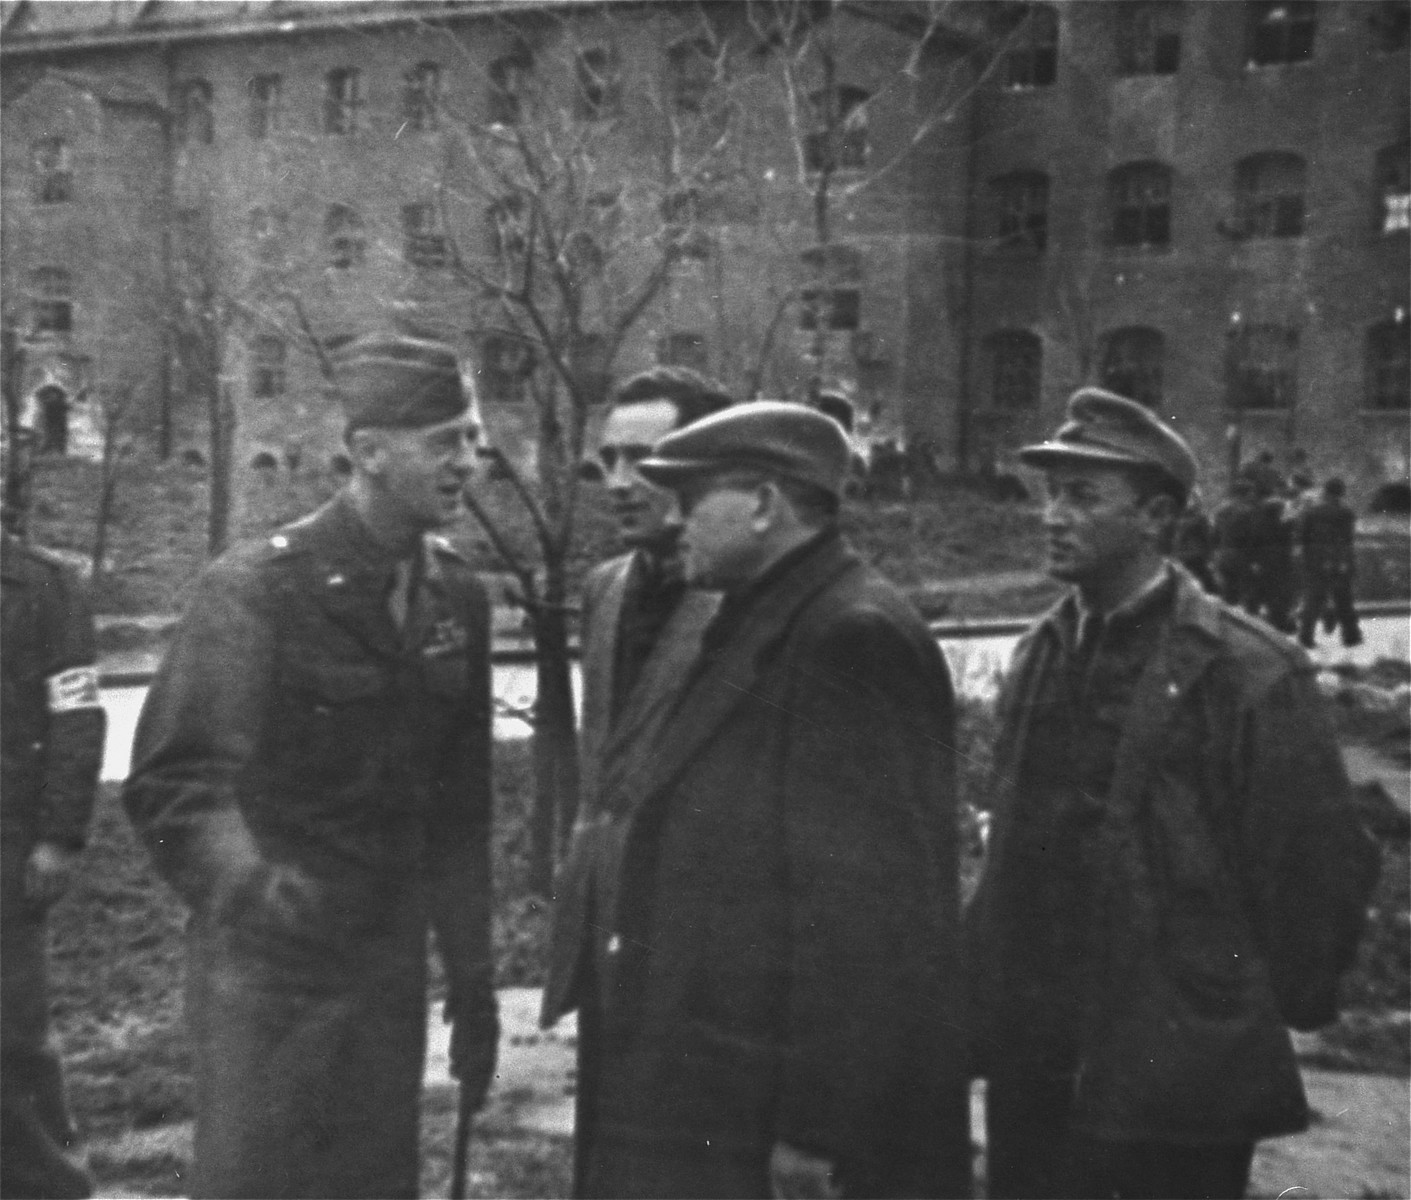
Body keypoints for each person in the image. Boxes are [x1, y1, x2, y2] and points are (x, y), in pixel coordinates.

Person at [966, 387, 1379, 1200]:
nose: (1053, 514)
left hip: (1177, 1067)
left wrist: (1246, 1006)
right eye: (1052, 493)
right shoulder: (1040, 653)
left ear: (1155, 518)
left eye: (1082, 496)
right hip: (1039, 1053)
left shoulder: (1248, 669)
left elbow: (1317, 863)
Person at [561, 400, 970, 1198]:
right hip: (725, 1079)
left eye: (692, 496)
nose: (671, 516)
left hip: (776, 1106)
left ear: (762, 504)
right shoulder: (772, 615)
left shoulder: (848, 635)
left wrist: (815, 1127)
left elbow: (866, 922)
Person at [122, 333, 498, 1199]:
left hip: (384, 972)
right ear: (367, 452)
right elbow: (176, 783)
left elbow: (459, 808)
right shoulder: (257, 589)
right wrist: (257, 891)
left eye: (473, 439)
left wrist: (473, 977)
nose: (469, 463)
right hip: (267, 982)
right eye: (445, 442)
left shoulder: (457, 596)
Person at [541, 365, 734, 1195]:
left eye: (643, 463)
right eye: (607, 462)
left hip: (706, 963)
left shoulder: (751, 599)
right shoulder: (606, 591)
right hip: (608, 940)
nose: (618, 484)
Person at [1, 430, 107, 1200]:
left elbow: (77, 719)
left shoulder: (45, 588)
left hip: (7, 850)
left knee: (14, 1039)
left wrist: (59, 838)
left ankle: (48, 1188)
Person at [1297, 477, 1363, 650]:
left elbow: (1302, 537)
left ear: (1325, 491)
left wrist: (1307, 558)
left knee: (1313, 599)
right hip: (1339, 560)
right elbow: (1348, 539)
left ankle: (1306, 636)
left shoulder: (1311, 511)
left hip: (1316, 560)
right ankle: (1351, 636)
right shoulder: (1346, 512)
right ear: (1341, 493)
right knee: (1344, 599)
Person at [1210, 477, 1260, 608]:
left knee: (1223, 591)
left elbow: (1214, 534)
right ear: (1246, 493)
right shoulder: (1248, 511)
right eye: (1251, 492)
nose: (1253, 495)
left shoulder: (1221, 509)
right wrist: (1254, 559)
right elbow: (1251, 537)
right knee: (1235, 596)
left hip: (1222, 553)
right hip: (1239, 556)